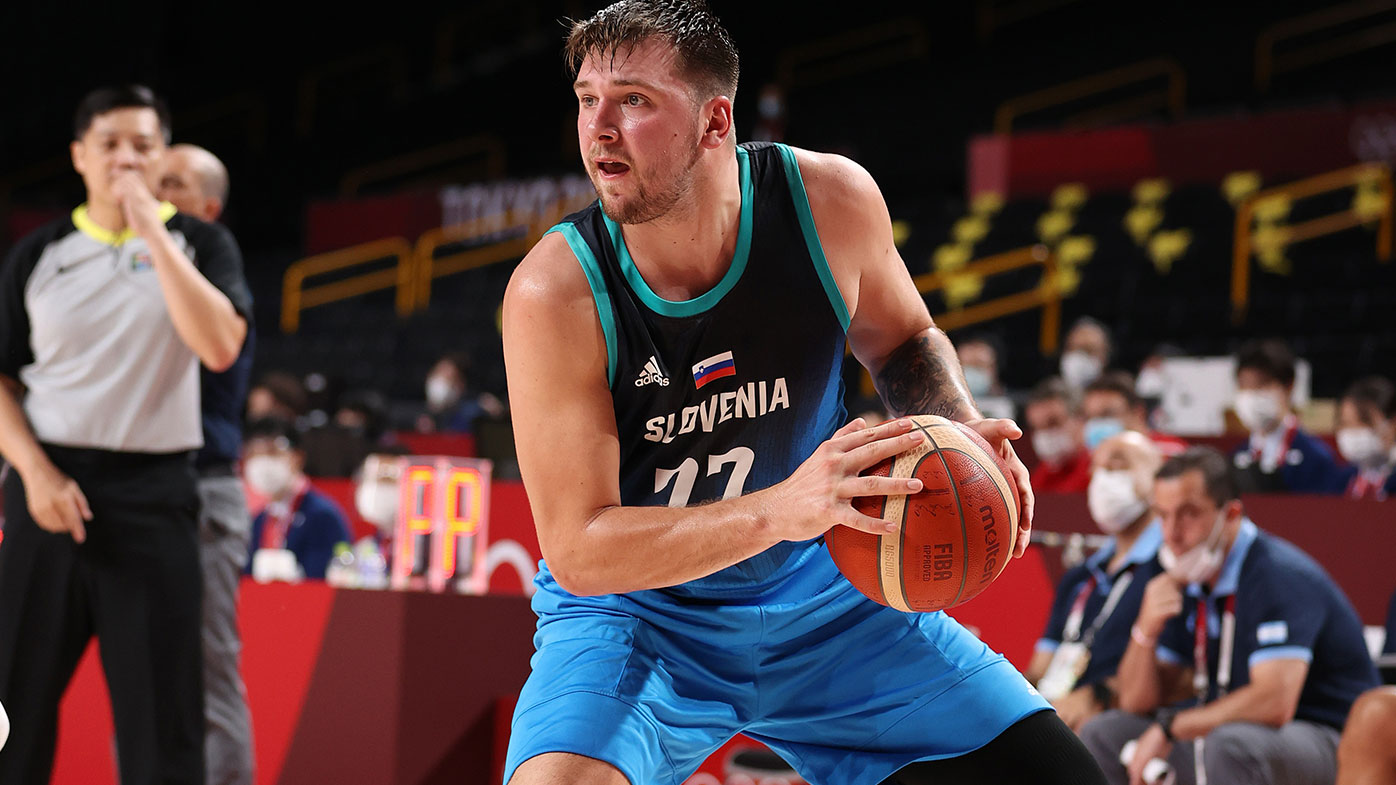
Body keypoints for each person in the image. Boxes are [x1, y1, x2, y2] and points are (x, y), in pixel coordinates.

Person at [500, 3, 1106, 784]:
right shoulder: (555, 292)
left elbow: (904, 338)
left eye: (634, 100)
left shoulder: (828, 202)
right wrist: (781, 508)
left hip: (828, 597)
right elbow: (580, 550)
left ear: (716, 121)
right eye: (587, 99)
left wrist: (957, 424)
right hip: (642, 618)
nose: (599, 128)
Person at [0, 85, 250, 785]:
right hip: (47, 489)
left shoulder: (201, 242)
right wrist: (35, 473)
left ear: (162, 154)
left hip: (155, 493)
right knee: (10, 705)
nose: (126, 157)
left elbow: (221, 344)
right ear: (80, 155)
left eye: (143, 144)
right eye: (109, 142)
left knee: (162, 721)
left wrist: (152, 231)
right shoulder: (39, 253)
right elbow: (2, 381)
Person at [1079, 447, 1378, 785]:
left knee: (1230, 746)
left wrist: (1171, 727)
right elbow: (1136, 702)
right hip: (1227, 732)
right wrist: (1145, 630)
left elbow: (1274, 703)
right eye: (1163, 516)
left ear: (1231, 513)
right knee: (1104, 733)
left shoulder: (1277, 575)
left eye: (1188, 514)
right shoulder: (1186, 576)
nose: (1173, 535)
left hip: (1328, 737)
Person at [157, 142, 255, 785]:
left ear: (208, 208)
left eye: (171, 182)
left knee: (208, 677)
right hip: (142, 491)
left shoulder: (212, 274)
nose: (151, 190)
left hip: (201, 493)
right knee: (143, 681)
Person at [1026, 431, 1164, 731]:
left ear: (1158, 477)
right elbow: (1040, 668)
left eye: (1117, 467)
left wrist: (1098, 696)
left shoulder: (1168, 570)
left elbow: (1175, 675)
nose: (1102, 480)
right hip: (1060, 710)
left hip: (1119, 714)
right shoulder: (1079, 576)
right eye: (1097, 470)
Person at [242, 418, 350, 581]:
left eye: (272, 453)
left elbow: (324, 581)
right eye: (255, 454)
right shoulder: (259, 520)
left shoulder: (322, 516)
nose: (263, 462)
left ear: (297, 458)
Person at [1230, 339, 1342, 494]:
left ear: (1289, 386)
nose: (1251, 395)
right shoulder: (1236, 457)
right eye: (1244, 386)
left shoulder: (1316, 458)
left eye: (1261, 385)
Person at [1082, 372, 1187, 456]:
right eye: (1090, 417)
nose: (1097, 424)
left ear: (1138, 413)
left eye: (1107, 415)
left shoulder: (1171, 451)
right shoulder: (1087, 459)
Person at [1026, 377, 1093, 493]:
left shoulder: (1096, 472)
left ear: (1080, 419)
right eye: (1038, 427)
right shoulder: (1042, 474)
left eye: (1053, 423)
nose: (1045, 435)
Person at [1334, 376, 1396, 500]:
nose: (1351, 433)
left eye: (1364, 422)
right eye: (1345, 424)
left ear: (1392, 423)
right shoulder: (1342, 480)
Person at [416, 352, 505, 435]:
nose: (443, 381)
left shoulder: (469, 409)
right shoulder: (418, 413)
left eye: (450, 377)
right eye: (440, 374)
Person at [957, 334, 1014, 420]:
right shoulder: (941, 407)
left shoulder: (1019, 407)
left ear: (994, 368)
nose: (972, 373)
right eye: (967, 366)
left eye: (978, 366)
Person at [1060, 317, 1112, 393]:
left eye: (1088, 350)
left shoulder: (1118, 398)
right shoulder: (1047, 398)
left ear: (1105, 355)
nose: (1079, 356)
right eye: (1074, 349)